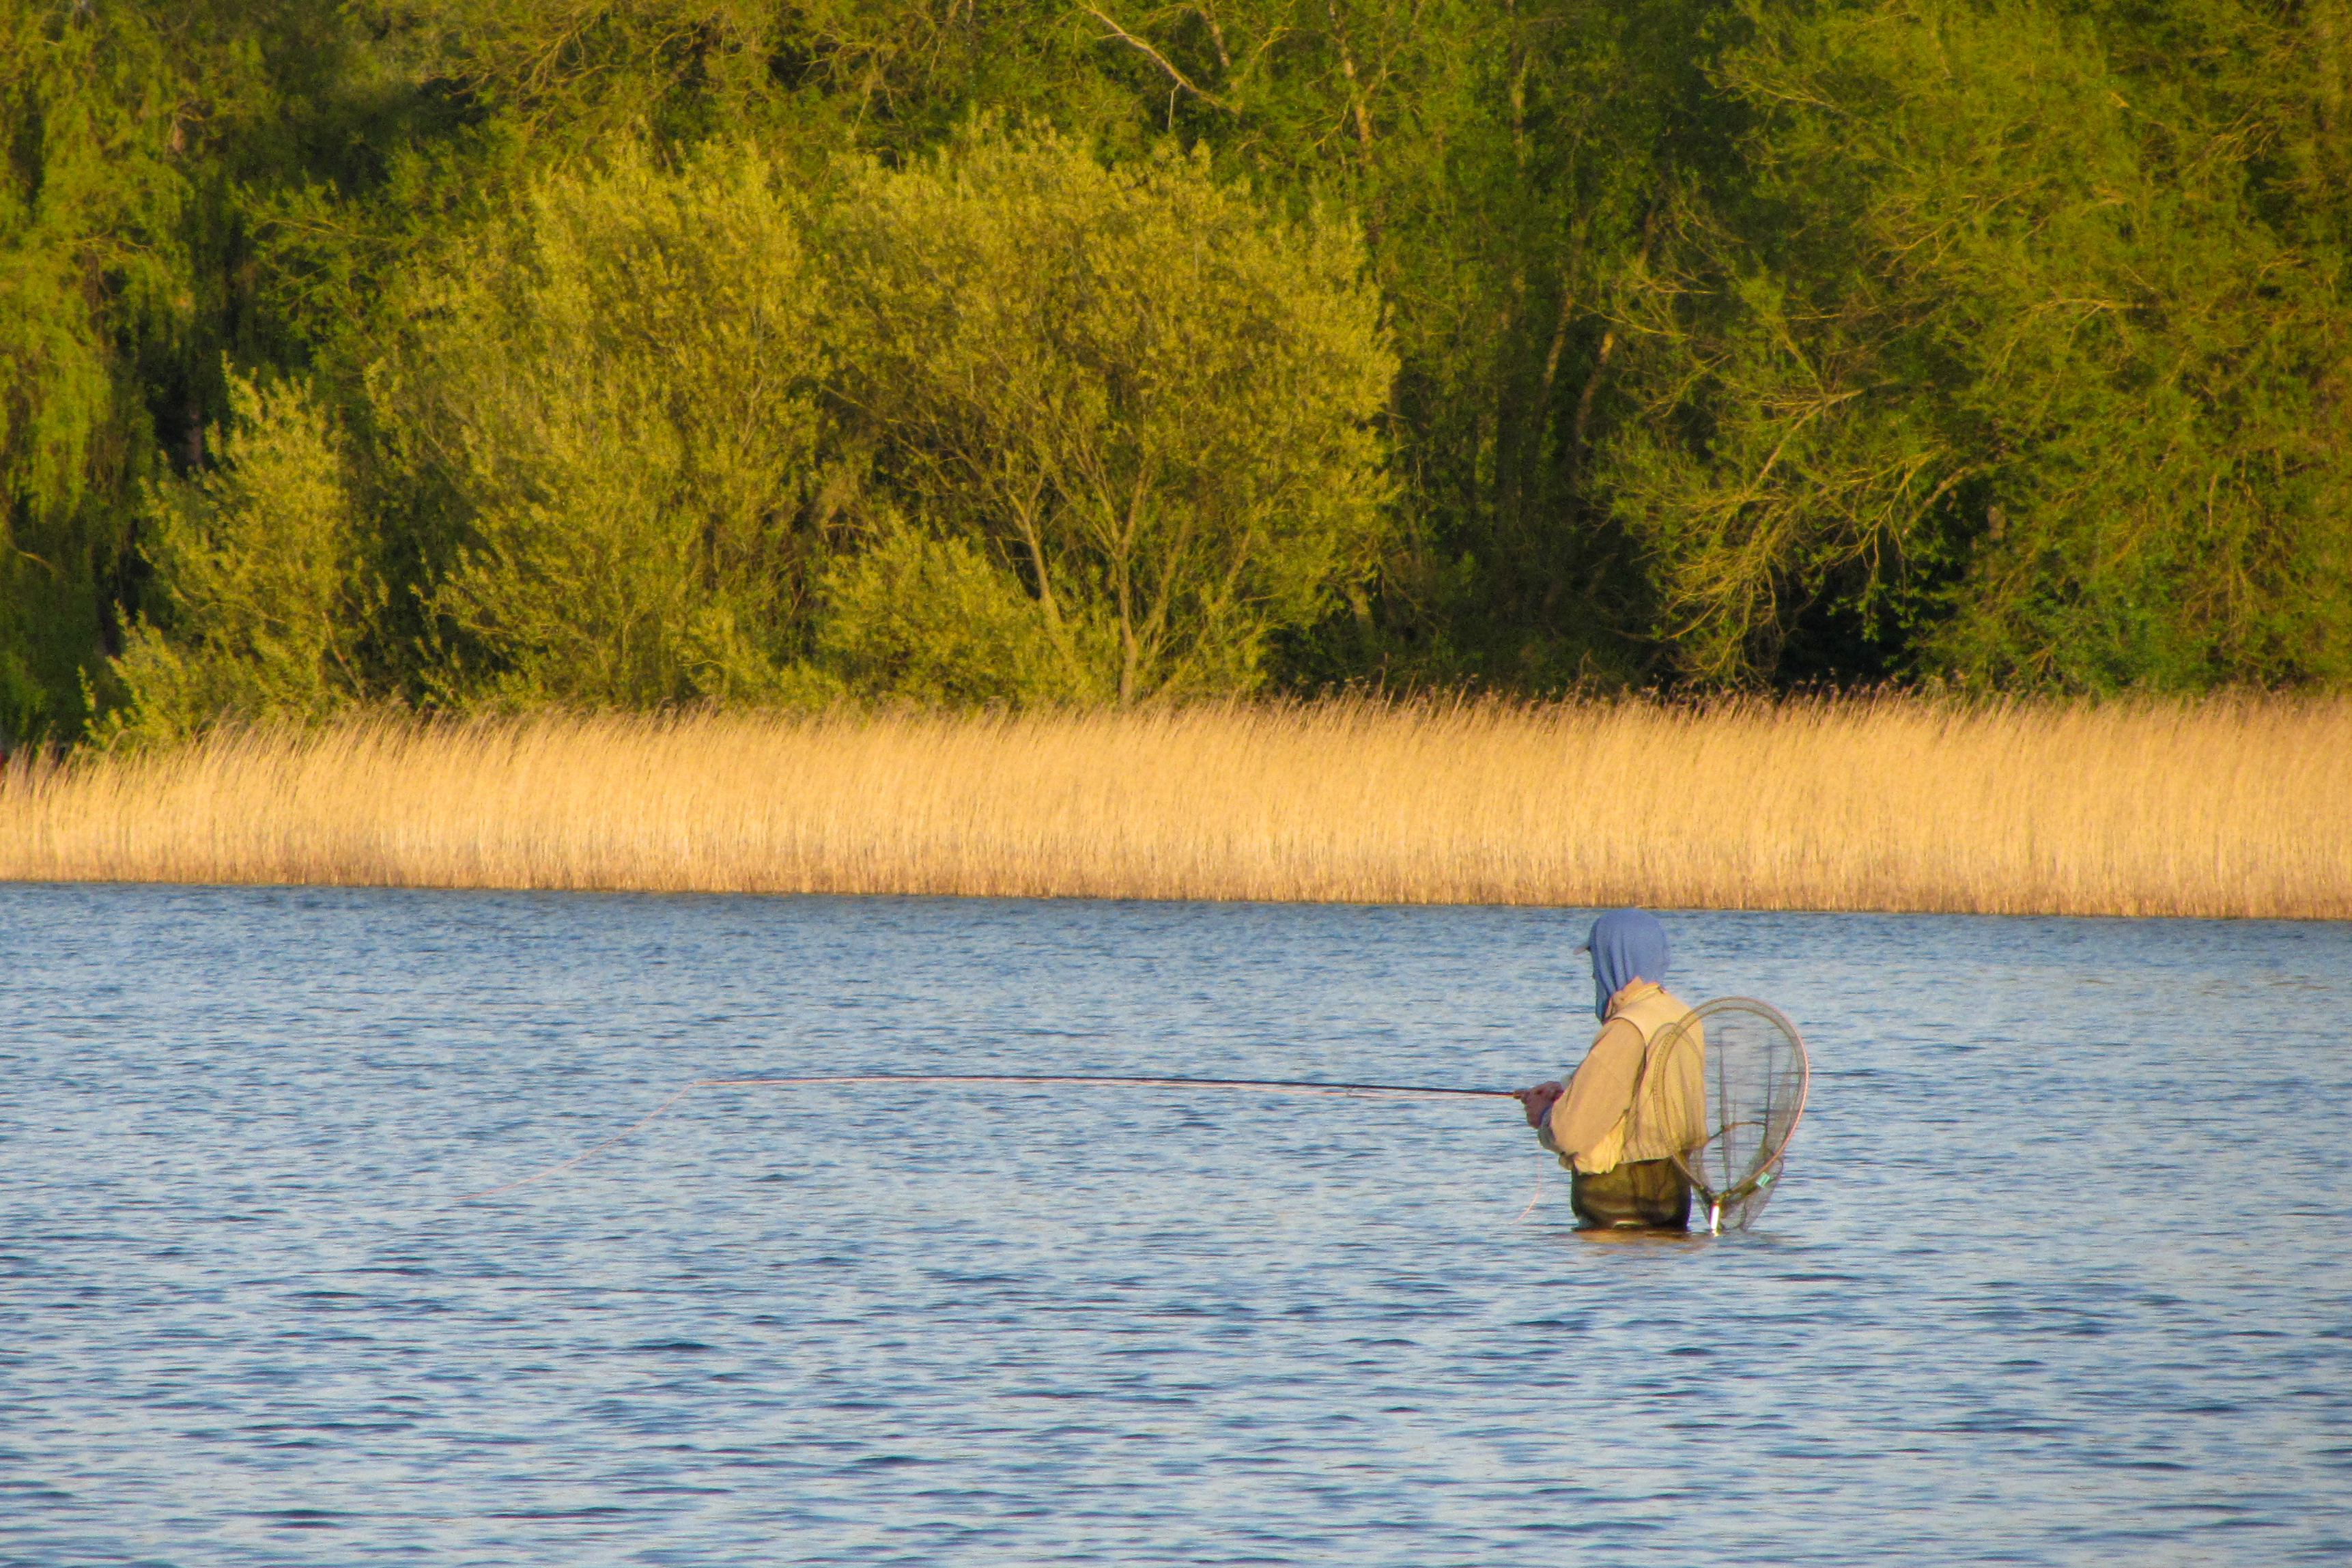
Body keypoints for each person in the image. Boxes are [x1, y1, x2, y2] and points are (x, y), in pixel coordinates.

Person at [1514, 908, 1705, 1231]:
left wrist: (1544, 1116)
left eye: (1596, 960)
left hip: (1619, 1207)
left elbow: (1571, 1132)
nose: (1593, 974)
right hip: (1672, 1198)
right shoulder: (1681, 1015)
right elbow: (1641, 1092)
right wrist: (1565, 1089)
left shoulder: (1627, 1027)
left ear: (1615, 959)